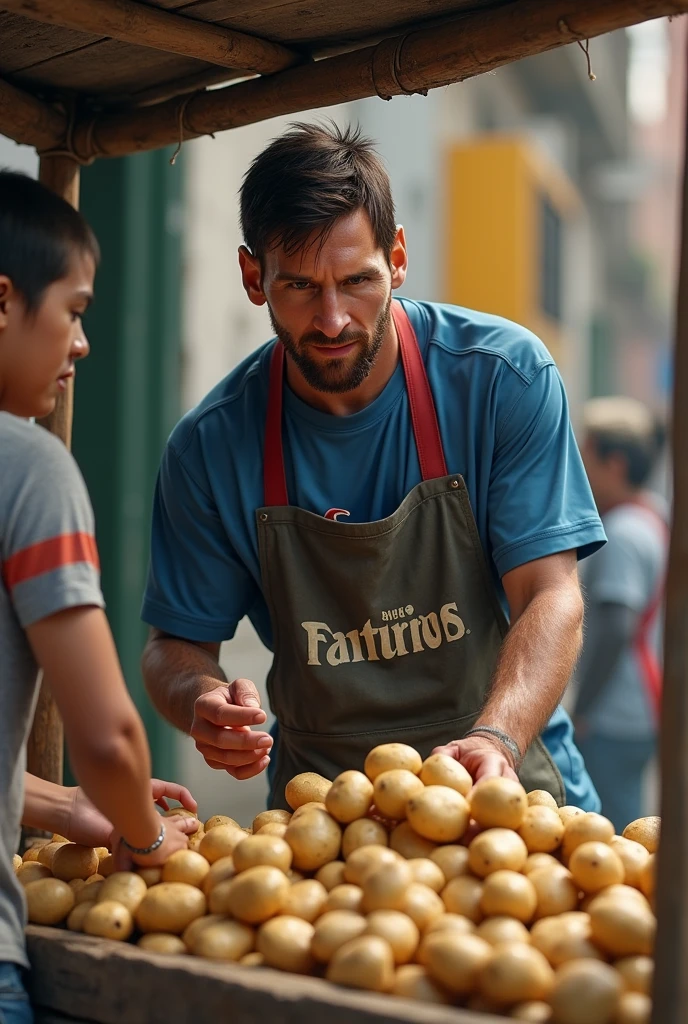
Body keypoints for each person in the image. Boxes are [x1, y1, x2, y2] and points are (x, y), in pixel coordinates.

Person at [141, 122, 607, 811]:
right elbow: (174, 646)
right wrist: (202, 699)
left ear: (397, 259)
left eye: (356, 281)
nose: (332, 320)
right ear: (252, 277)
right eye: (299, 287)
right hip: (326, 826)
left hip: (508, 803)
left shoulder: (501, 379)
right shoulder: (211, 447)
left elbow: (552, 593)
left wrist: (498, 738)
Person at [0, 170, 199, 1023]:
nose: (82, 342)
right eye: (75, 310)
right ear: (3, 301)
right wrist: (146, 842)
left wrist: (71, 809)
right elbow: (111, 737)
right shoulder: (30, 466)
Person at [574, 396, 667, 833]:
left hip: (615, 711)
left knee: (619, 830)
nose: (580, 471)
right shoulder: (653, 514)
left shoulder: (625, 533)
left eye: (586, 456)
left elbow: (615, 625)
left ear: (614, 463)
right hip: (639, 704)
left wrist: (583, 709)